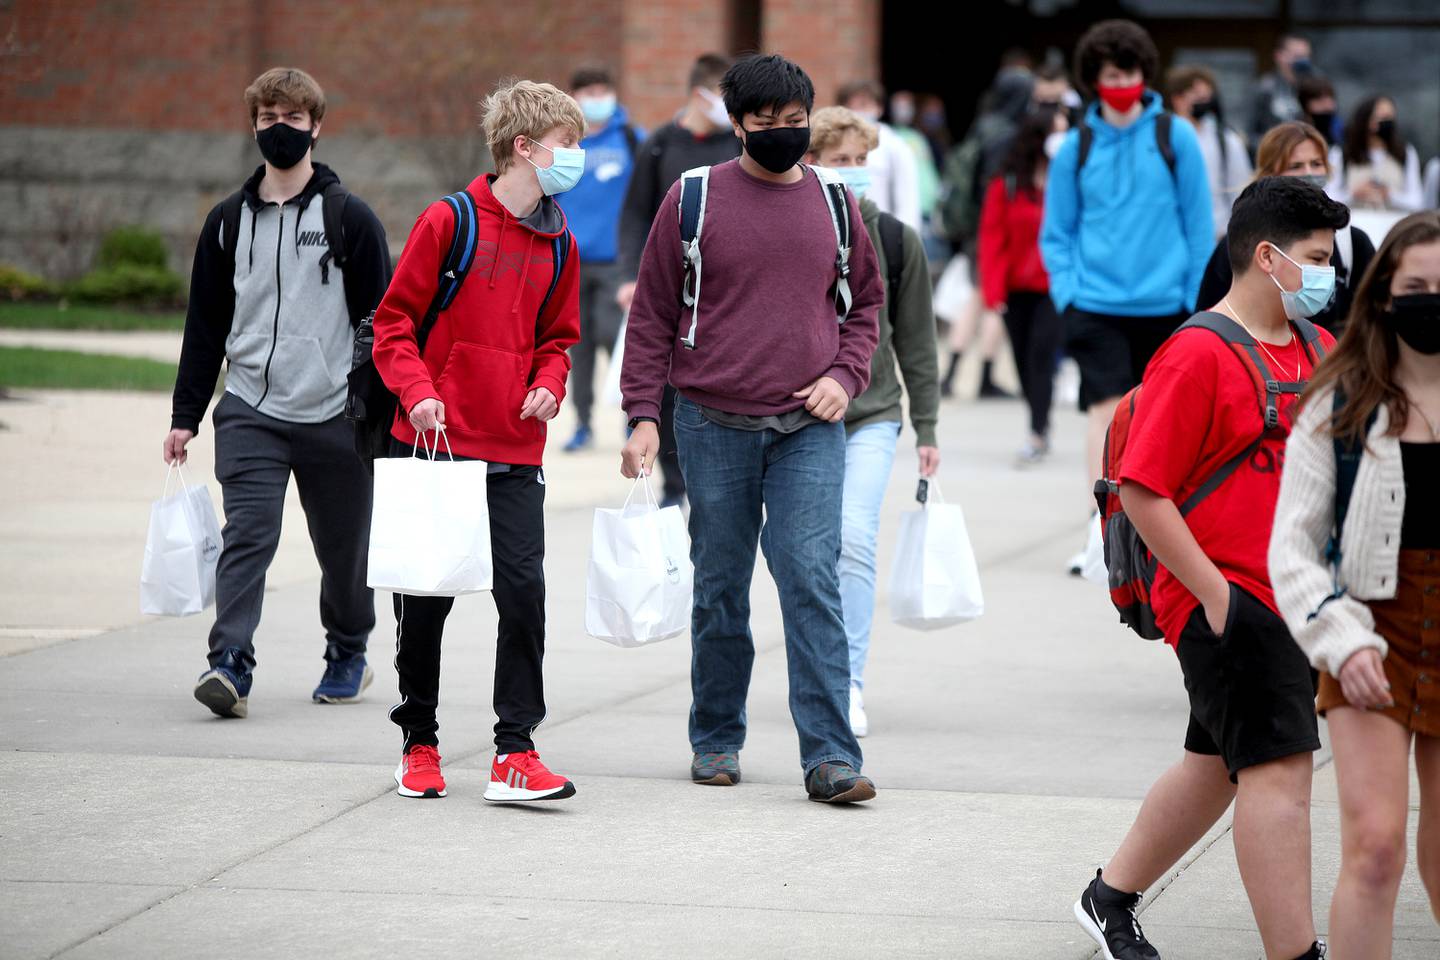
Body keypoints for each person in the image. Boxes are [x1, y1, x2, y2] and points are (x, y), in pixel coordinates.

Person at [1074, 176, 1346, 960]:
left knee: (1215, 765)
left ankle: (1109, 898)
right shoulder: (1197, 355)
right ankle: (1296, 955)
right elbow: (1143, 490)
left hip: (1300, 598)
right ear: (1268, 258)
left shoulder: (1319, 350)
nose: (1328, 274)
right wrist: (1219, 598)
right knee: (1279, 779)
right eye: (1317, 258)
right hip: (1233, 603)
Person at [619, 54, 884, 803]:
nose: (781, 134)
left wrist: (843, 376)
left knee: (810, 581)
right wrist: (643, 416)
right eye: (765, 123)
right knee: (721, 587)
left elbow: (866, 303)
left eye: (793, 121)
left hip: (809, 427)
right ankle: (716, 738)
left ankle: (832, 756)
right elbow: (652, 318)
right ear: (735, 123)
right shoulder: (693, 198)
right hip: (710, 423)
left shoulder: (835, 204)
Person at [370, 79, 583, 803]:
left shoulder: (561, 242)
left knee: (525, 598)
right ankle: (419, 742)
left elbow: (559, 339)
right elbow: (393, 324)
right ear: (524, 147)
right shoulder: (448, 221)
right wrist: (419, 390)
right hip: (435, 444)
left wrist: (551, 383)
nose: (577, 157)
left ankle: (514, 753)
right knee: (424, 602)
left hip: (515, 449)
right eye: (568, 144)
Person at [168, 67, 390, 719]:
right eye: (268, 119)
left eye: (293, 119)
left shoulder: (350, 219)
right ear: (254, 126)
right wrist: (185, 415)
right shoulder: (228, 223)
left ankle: (348, 649)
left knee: (344, 548)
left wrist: (384, 411)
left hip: (333, 415)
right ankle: (229, 661)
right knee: (249, 534)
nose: (280, 130)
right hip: (251, 410)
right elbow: (204, 325)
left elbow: (384, 322)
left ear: (317, 126)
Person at [1270, 210, 1440, 959]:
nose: (1432, 299)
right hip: (1375, 629)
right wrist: (1341, 639)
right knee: (1375, 847)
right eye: (1417, 286)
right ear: (1382, 298)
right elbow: (1293, 553)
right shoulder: (1337, 406)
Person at [1040, 19, 1213, 573]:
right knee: (1107, 413)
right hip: (1094, 304)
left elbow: (1198, 222)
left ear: (1145, 74)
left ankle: (1166, 538)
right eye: (1113, 73)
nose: (1123, 82)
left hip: (1169, 306)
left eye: (1131, 72)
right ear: (1095, 78)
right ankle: (1103, 533)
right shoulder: (1076, 146)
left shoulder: (1175, 136)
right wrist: (1068, 292)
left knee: (1166, 420)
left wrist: (1192, 299)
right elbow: (1056, 230)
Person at [805, 106, 941, 739]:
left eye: (862, 161)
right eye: (840, 161)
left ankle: (847, 681)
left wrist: (928, 428)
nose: (854, 173)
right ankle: (819, 669)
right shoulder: (794, 230)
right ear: (810, 163)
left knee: (854, 537)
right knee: (806, 554)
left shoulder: (894, 238)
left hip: (872, 414)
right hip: (798, 416)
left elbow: (915, 340)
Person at [616, 53, 739, 509]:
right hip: (668, 285)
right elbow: (635, 212)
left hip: (720, 293)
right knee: (662, 389)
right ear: (699, 94)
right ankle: (672, 486)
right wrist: (631, 274)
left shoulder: (736, 147)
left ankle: (706, 478)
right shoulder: (661, 144)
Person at [1199, 122, 1376, 338]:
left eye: (1317, 163)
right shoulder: (1239, 243)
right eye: (1296, 166)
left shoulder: (1353, 243)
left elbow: (1373, 319)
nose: (1309, 174)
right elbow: (1210, 320)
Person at [937, 64, 1035, 400]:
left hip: (974, 229)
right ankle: (986, 376)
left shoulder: (984, 124)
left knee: (977, 298)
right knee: (996, 299)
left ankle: (951, 373)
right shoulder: (1012, 132)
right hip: (997, 228)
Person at [560, 65, 642, 453]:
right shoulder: (564, 145)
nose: (597, 98)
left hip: (616, 264)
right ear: (573, 96)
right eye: (588, 91)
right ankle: (582, 422)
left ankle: (634, 420)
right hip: (572, 263)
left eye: (603, 89)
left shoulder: (631, 139)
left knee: (616, 342)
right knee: (580, 347)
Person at [978, 109, 1067, 466]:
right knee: (1022, 361)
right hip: (1016, 287)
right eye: (1057, 133)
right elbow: (991, 237)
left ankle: (1036, 430)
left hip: (1056, 286)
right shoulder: (1007, 184)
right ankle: (1041, 421)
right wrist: (992, 291)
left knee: (1041, 357)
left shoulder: (1069, 181)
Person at [1167, 64, 1253, 237]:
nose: (1204, 102)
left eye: (1207, 96)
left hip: (1217, 233)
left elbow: (1241, 189)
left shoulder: (1226, 140)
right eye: (1197, 96)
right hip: (1171, 234)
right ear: (1178, 99)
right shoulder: (1162, 137)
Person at [839, 79, 922, 231]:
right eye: (851, 105)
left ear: (879, 108)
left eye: (864, 105)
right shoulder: (833, 143)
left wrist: (901, 239)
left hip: (880, 233)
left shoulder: (894, 145)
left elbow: (907, 200)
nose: (857, 110)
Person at [1330, 95, 1427, 213]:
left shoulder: (1405, 152)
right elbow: (1329, 197)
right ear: (1365, 120)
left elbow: (1417, 201)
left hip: (1393, 224)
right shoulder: (1341, 152)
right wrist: (1354, 193)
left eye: (1389, 118)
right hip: (1354, 224)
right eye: (1380, 117)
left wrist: (1390, 195)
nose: (1385, 123)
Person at [1249, 33, 1313, 148]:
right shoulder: (1264, 88)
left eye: (1305, 56)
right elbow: (1250, 133)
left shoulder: (1315, 86)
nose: (1302, 62)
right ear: (1279, 56)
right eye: (1297, 56)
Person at [1296, 74, 1340, 147]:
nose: (1327, 106)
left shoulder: (1341, 130)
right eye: (1320, 101)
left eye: (1330, 99)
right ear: (1305, 104)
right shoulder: (1297, 133)